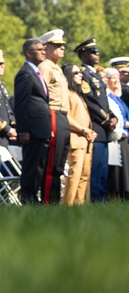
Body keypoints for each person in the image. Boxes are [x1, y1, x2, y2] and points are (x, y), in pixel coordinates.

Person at [74, 38, 115, 202]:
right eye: (92, 51)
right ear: (83, 55)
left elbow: (104, 101)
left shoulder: (95, 74)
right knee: (96, 169)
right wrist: (106, 120)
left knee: (102, 169)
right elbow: (90, 100)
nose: (97, 53)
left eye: (96, 51)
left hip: (104, 128)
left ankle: (102, 199)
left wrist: (113, 117)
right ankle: (96, 199)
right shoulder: (83, 74)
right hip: (96, 126)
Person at [14, 38, 51, 204]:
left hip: (41, 128)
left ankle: (33, 198)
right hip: (32, 130)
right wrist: (23, 130)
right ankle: (28, 199)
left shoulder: (36, 73)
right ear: (29, 53)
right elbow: (21, 104)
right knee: (31, 167)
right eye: (39, 49)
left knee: (39, 167)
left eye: (44, 49)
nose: (44, 51)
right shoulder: (25, 74)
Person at [36, 29, 70, 204]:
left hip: (63, 115)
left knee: (59, 164)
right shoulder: (45, 67)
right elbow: (42, 95)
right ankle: (49, 201)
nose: (62, 48)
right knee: (51, 163)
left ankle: (55, 201)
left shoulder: (57, 68)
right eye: (57, 45)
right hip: (53, 114)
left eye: (63, 45)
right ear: (46, 48)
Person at [62, 64, 94, 205]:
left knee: (84, 174)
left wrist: (89, 131)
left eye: (80, 72)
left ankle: (78, 204)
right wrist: (83, 129)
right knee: (75, 173)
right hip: (76, 138)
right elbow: (66, 116)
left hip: (86, 139)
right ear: (68, 76)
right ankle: (67, 205)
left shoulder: (77, 94)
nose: (80, 75)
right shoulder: (66, 94)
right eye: (76, 73)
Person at [103, 68, 129, 199]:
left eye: (117, 77)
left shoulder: (117, 97)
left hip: (124, 136)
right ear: (106, 80)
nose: (116, 80)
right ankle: (114, 197)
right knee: (116, 173)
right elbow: (118, 119)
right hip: (116, 137)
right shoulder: (108, 97)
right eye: (113, 77)